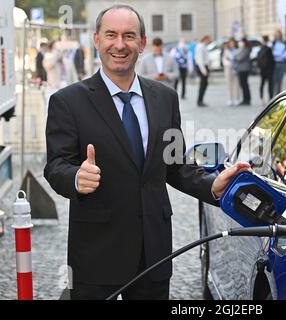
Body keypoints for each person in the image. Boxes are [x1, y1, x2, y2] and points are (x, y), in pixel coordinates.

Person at [44, 5, 250, 300]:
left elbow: (174, 165)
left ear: (142, 43)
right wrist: (76, 177)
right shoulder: (68, 102)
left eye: (129, 36)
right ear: (97, 41)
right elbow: (55, 166)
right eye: (111, 35)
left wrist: (212, 185)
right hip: (96, 253)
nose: (119, 44)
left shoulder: (165, 98)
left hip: (153, 253)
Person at [222, 38, 240, 106]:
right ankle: (230, 99)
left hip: (236, 68)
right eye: (230, 43)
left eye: (233, 43)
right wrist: (229, 63)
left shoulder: (237, 50)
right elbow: (224, 59)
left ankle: (236, 99)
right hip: (228, 68)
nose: (232, 44)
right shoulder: (226, 50)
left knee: (236, 84)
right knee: (229, 84)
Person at [194, 35, 211, 106]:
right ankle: (199, 101)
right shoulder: (200, 46)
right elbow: (199, 59)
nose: (210, 41)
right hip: (202, 67)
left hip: (204, 66)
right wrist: (203, 70)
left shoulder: (204, 46)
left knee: (205, 84)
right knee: (203, 84)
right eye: (209, 40)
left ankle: (200, 100)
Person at [271, 30, 286, 95]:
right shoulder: (273, 43)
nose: (277, 36)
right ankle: (273, 94)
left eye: (278, 35)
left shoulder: (284, 43)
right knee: (274, 79)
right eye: (276, 35)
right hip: (274, 63)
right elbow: (272, 53)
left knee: (280, 80)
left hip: (282, 63)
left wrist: (279, 55)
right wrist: (278, 54)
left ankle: (278, 93)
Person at [234, 38, 252, 106]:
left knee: (244, 85)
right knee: (242, 85)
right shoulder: (242, 49)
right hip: (240, 69)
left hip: (244, 69)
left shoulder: (246, 49)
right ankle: (245, 99)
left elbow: (239, 58)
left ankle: (247, 99)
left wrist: (236, 57)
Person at [257, 35, 274, 102]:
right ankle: (270, 97)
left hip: (263, 70)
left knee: (262, 84)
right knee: (269, 84)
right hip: (268, 70)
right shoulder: (269, 49)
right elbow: (272, 60)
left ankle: (262, 97)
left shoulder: (260, 49)